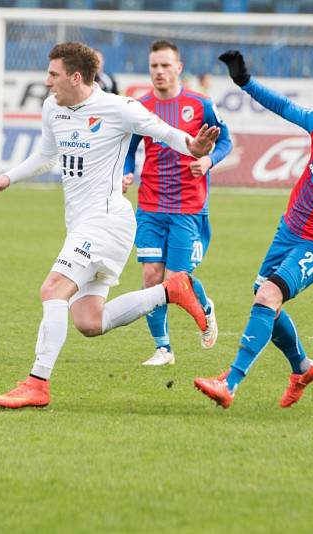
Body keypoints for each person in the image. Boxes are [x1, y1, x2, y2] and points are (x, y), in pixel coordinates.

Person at [0, 42, 220, 409]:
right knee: (89, 321)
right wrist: (7, 178)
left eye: (53, 75)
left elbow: (167, 134)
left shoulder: (118, 108)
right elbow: (47, 156)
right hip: (81, 224)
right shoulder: (53, 108)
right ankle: (172, 291)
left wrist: (197, 148)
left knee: (52, 290)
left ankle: (36, 383)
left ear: (75, 77)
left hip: (107, 220)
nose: (47, 83)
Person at [194, 50, 313, 409]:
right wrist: (244, 82)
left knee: (268, 295)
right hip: (288, 231)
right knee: (264, 297)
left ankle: (230, 383)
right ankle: (302, 368)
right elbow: (284, 107)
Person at [122, 40, 232, 366]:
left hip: (188, 206)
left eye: (165, 65)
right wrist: (126, 173)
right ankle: (163, 349)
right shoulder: (139, 107)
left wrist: (209, 161)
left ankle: (205, 307)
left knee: (175, 280)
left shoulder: (201, 105)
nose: (159, 71)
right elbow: (128, 151)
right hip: (151, 204)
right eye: (154, 65)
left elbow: (225, 140)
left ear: (178, 68)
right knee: (150, 277)